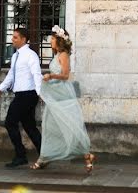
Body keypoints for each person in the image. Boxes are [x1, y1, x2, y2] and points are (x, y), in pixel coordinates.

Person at [30, 26, 96, 173]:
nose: (50, 41)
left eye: (53, 38)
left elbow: (65, 76)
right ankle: (45, 157)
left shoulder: (64, 55)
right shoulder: (57, 54)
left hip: (63, 94)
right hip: (55, 93)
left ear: (59, 40)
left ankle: (86, 155)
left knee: (69, 125)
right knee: (50, 125)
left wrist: (51, 76)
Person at [0, 27, 43, 168]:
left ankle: (20, 155)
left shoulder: (30, 55)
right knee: (29, 126)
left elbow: (36, 74)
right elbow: (11, 74)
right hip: (21, 94)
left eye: (15, 37)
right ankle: (45, 154)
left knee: (10, 122)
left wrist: (40, 93)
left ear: (23, 39)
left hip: (28, 95)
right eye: (12, 37)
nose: (12, 40)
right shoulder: (16, 56)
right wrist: (1, 88)